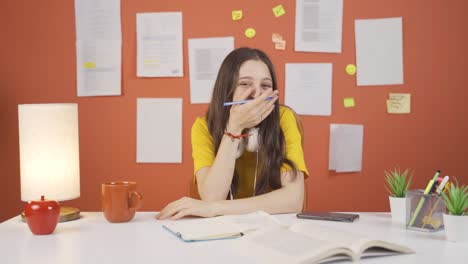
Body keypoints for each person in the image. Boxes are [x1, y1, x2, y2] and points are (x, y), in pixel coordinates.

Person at [156, 47, 309, 220]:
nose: (257, 94)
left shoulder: (284, 119)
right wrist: (234, 129)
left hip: (271, 224)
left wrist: (216, 208)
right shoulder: (203, 127)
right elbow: (212, 196)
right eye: (245, 84)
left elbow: (294, 199)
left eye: (265, 85)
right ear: (227, 88)